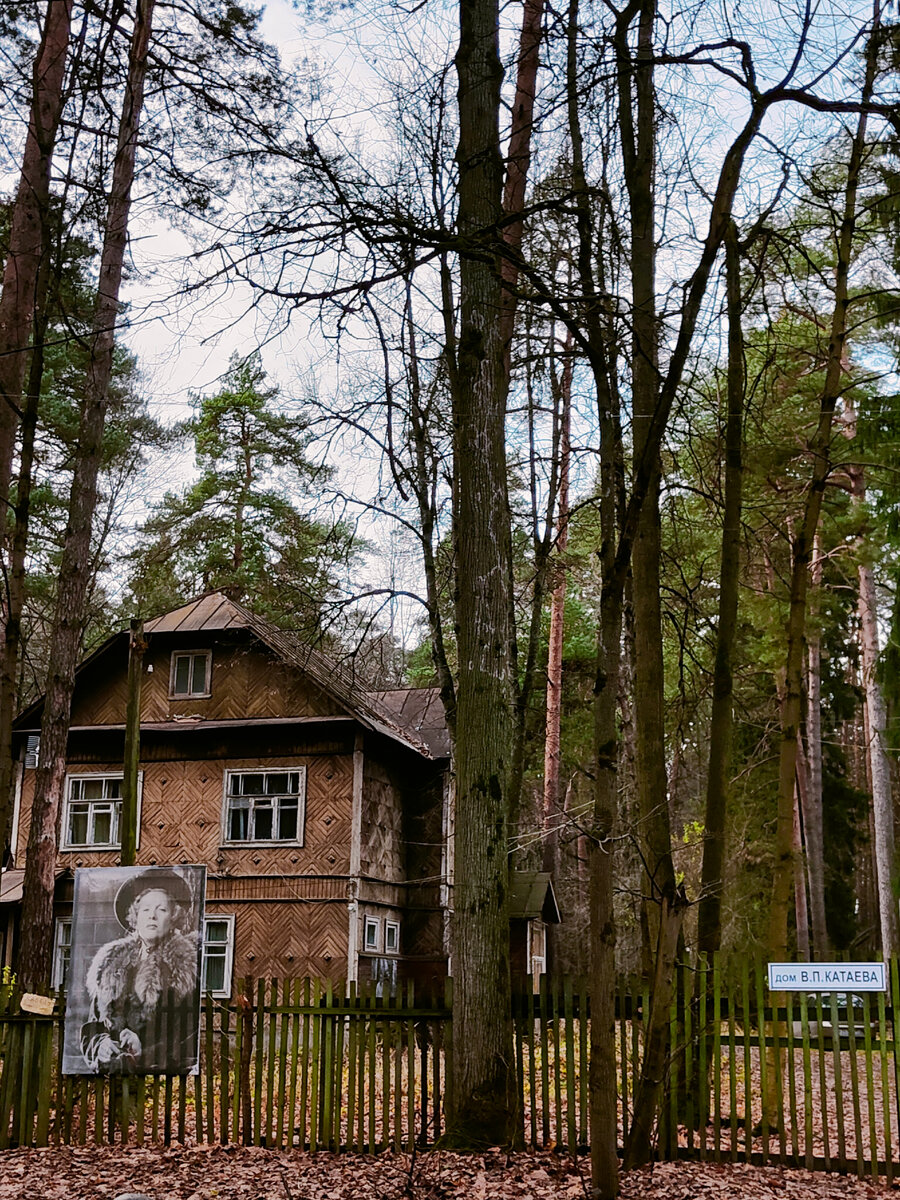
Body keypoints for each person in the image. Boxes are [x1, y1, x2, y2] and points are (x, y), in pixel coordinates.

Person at [80, 868, 200, 1073]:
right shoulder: (111, 964)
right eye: (145, 909)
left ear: (173, 917)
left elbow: (187, 1037)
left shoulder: (184, 969)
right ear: (135, 917)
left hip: (157, 1081)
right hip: (110, 1077)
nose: (152, 916)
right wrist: (100, 1045)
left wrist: (144, 1050)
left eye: (161, 909)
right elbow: (92, 1025)